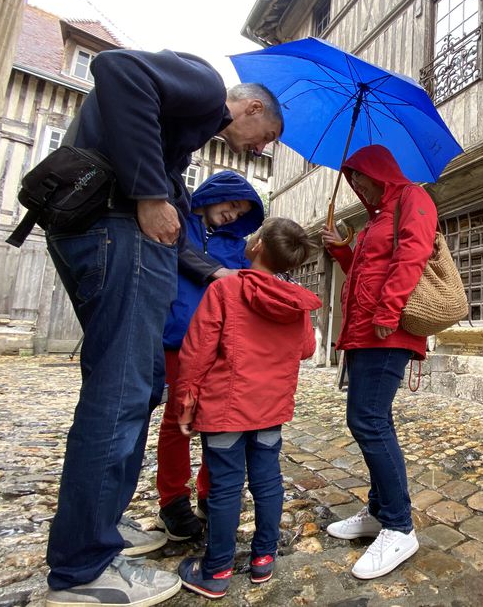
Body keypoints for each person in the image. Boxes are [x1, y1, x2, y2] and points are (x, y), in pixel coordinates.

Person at [43, 48, 282, 607]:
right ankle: (82, 569)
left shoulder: (182, 132)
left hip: (105, 233)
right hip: (110, 228)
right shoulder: (202, 86)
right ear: (247, 108)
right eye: (265, 135)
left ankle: (97, 529)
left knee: (137, 388)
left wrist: (164, 187)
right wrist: (153, 193)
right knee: (122, 395)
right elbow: (116, 69)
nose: (261, 150)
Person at [172, 217, 320, 599]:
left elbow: (197, 350)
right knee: (268, 482)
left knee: (224, 488)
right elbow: (306, 350)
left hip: (225, 409)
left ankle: (217, 569)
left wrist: (186, 401)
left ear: (255, 246)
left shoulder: (226, 288)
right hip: (270, 408)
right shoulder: (295, 302)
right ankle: (262, 559)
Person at [321, 144, 437, 579]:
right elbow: (366, 272)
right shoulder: (374, 219)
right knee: (368, 419)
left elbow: (413, 255)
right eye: (352, 179)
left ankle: (399, 527)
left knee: (369, 420)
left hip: (387, 330)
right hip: (365, 331)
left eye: (362, 177)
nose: (358, 185)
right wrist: (340, 250)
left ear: (380, 172)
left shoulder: (413, 198)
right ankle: (379, 511)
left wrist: (388, 311)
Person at [155, 171, 265, 541]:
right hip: (176, 337)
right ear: (214, 195)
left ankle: (209, 492)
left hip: (218, 343)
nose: (233, 215)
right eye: (232, 204)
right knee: (176, 422)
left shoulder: (236, 243)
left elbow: (248, 280)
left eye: (241, 211)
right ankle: (172, 501)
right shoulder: (176, 222)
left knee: (216, 420)